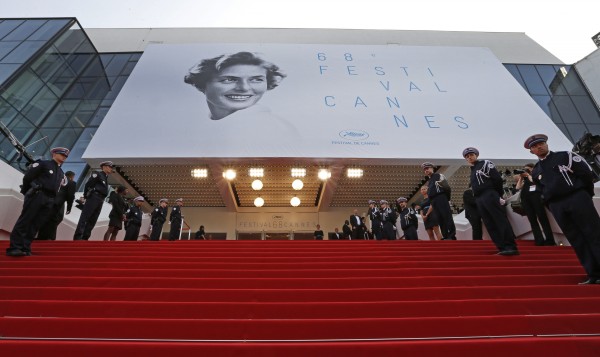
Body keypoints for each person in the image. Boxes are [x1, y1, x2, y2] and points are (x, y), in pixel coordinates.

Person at [526, 134, 600, 284]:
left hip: (577, 198)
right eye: (534, 146)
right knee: (576, 239)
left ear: (546, 144)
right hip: (557, 206)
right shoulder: (536, 171)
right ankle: (593, 274)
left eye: (541, 143)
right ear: (531, 151)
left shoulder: (566, 156)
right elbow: (540, 191)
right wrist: (551, 206)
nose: (539, 147)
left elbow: (586, 174)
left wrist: (584, 194)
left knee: (594, 234)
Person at [184, 52, 286, 120]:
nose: (244, 88)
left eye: (256, 80)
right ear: (202, 84)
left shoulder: (267, 127)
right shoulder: (209, 124)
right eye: (229, 80)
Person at [7, 147, 69, 256]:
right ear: (54, 154)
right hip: (37, 194)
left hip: (49, 199)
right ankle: (15, 247)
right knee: (26, 220)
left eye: (65, 156)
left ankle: (25, 248)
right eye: (62, 154)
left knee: (36, 224)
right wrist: (27, 192)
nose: (64, 157)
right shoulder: (43, 164)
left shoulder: (60, 172)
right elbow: (28, 178)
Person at [463, 147, 519, 255]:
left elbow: (497, 179)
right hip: (479, 198)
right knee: (489, 223)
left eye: (471, 154)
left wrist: (497, 194)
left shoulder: (485, 163)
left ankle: (510, 246)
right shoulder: (473, 170)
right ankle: (501, 247)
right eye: (467, 156)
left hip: (489, 193)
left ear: (476, 155)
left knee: (499, 220)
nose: (469, 157)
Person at [515, 163, 556, 246]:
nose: (526, 170)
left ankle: (549, 240)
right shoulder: (525, 179)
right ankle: (539, 240)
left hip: (536, 198)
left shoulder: (537, 175)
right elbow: (518, 188)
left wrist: (529, 174)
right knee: (532, 220)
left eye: (527, 169)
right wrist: (521, 177)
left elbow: (535, 182)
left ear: (532, 169)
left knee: (542, 218)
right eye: (525, 169)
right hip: (526, 200)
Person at [73, 161, 114, 241]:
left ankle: (85, 237)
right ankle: (78, 237)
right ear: (104, 167)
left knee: (93, 219)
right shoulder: (97, 174)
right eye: (109, 167)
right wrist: (85, 196)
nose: (111, 169)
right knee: (85, 217)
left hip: (101, 199)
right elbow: (88, 184)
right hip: (94, 197)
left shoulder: (105, 177)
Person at [37, 170, 76, 240]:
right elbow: (70, 196)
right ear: (72, 177)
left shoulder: (57, 178)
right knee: (55, 220)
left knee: (45, 218)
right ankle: (50, 237)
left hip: (47, 200)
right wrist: (69, 208)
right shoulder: (71, 183)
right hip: (58, 203)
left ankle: (41, 237)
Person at [422, 162, 456, 240]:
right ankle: (445, 235)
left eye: (427, 168)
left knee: (446, 217)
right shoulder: (429, 181)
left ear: (432, 168)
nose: (426, 170)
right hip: (434, 201)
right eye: (425, 169)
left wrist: (446, 199)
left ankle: (452, 235)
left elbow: (447, 188)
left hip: (441, 197)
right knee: (440, 219)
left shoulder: (438, 176)